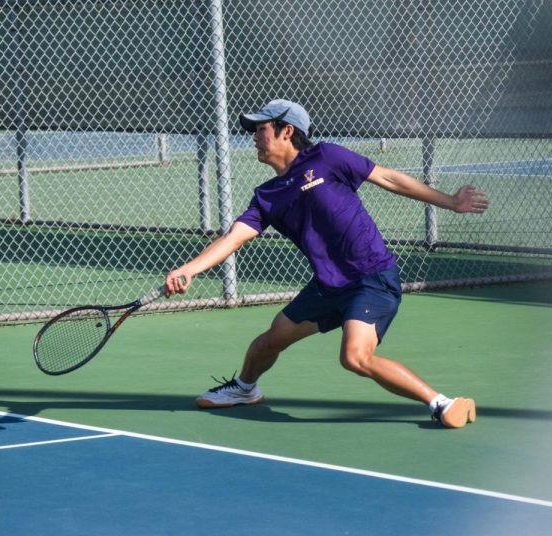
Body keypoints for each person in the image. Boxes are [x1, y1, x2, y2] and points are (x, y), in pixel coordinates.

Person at [164, 99, 489, 428]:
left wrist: (450, 201)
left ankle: (442, 403)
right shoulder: (267, 195)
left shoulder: (327, 157)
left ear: (286, 131)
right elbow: (233, 237)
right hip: (328, 286)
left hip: (370, 278)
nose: (253, 136)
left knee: (354, 357)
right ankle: (246, 389)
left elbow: (389, 178)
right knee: (269, 340)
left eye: (261, 129)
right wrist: (189, 269)